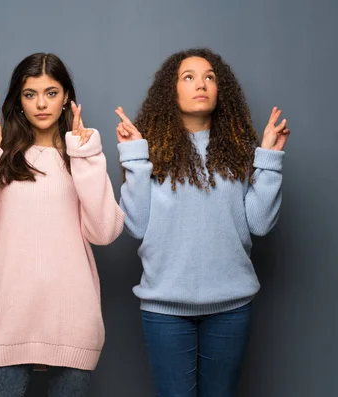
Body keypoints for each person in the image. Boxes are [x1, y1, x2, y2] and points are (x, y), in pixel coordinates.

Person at [0, 52, 124, 397]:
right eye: (30, 94)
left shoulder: (81, 157)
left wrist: (85, 158)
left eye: (51, 92)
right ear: (19, 100)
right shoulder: (0, 159)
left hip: (73, 321)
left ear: (67, 97)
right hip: (8, 320)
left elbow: (105, 232)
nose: (41, 104)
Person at [115, 48, 291, 397]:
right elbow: (135, 225)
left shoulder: (237, 149)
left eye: (210, 77)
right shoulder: (149, 151)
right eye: (189, 77)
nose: (202, 84)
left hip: (231, 307)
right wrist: (135, 160)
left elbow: (259, 223)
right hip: (165, 308)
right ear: (171, 90)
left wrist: (269, 159)